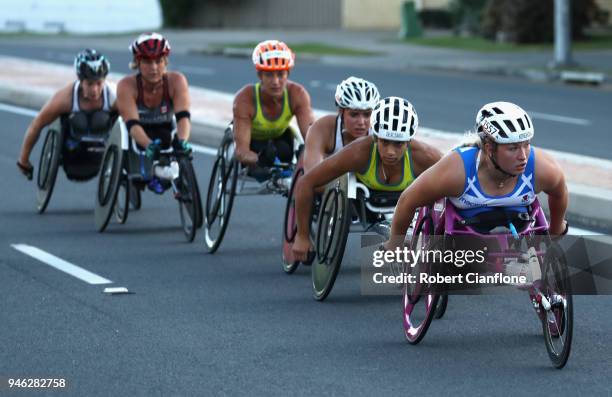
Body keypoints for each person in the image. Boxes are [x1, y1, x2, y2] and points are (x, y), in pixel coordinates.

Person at [384, 101, 569, 251]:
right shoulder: (456, 170)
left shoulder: (542, 168)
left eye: (526, 144)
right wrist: (394, 245)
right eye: (513, 148)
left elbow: (559, 191)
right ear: (489, 148)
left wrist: (556, 228)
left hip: (516, 217)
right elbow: (407, 200)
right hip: (466, 227)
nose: (523, 155)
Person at [292, 96, 443, 261]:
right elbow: (306, 182)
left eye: (398, 144)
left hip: (407, 204)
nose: (391, 152)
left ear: (408, 141)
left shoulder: (426, 156)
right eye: (385, 142)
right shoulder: (359, 152)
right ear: (376, 137)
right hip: (363, 202)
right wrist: (302, 236)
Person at [17, 48, 115, 180]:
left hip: (102, 153)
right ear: (80, 80)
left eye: (99, 83)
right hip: (73, 155)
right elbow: (37, 124)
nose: (95, 90)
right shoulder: (65, 98)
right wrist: (23, 161)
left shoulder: (114, 96)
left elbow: (133, 124)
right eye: (90, 84)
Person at [116, 32, 192, 192]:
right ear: (137, 62)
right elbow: (132, 124)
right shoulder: (126, 85)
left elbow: (183, 117)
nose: (154, 68)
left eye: (158, 61)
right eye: (147, 62)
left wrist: (183, 140)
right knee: (144, 160)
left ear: (165, 61)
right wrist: (148, 145)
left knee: (173, 146)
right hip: (138, 133)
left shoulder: (176, 81)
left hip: (163, 129)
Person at [232, 40, 314, 174]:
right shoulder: (245, 98)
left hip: (280, 140)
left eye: (281, 74)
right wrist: (255, 159)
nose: (275, 82)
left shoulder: (298, 94)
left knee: (287, 150)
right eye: (269, 75)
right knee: (263, 156)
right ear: (260, 75)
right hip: (252, 142)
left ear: (288, 74)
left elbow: (312, 136)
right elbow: (241, 151)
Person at [302, 76, 380, 173]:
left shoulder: (380, 130)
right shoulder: (322, 128)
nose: (361, 122)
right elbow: (311, 176)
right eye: (354, 114)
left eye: (367, 114)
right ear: (341, 111)